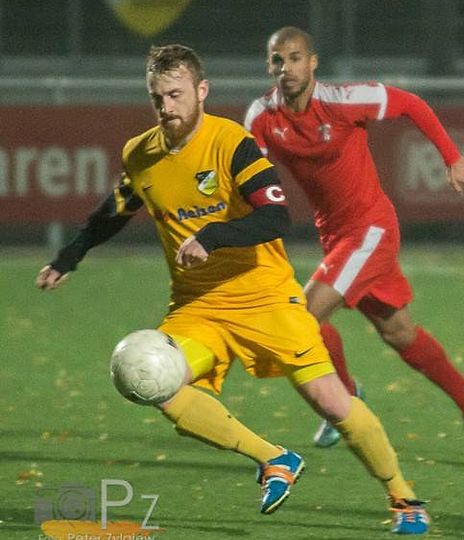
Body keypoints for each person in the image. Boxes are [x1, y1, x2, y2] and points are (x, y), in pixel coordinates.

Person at [36, 44, 430, 535]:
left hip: (265, 296)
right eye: (157, 97)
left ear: (202, 91)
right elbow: (113, 212)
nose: (166, 107)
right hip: (198, 307)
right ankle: (273, 459)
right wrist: (68, 257)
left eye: (176, 95)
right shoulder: (141, 153)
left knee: (332, 402)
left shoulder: (233, 143)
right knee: (158, 384)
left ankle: (403, 496)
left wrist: (213, 235)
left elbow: (275, 216)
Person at [244, 26, 464, 457]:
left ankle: (343, 401)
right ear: (269, 66)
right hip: (335, 237)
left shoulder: (342, 101)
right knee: (398, 333)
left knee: (302, 317)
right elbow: (250, 178)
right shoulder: (261, 118)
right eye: (277, 60)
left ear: (313, 62)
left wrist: (453, 158)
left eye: (295, 57)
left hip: (371, 231)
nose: (286, 68)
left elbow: (410, 104)